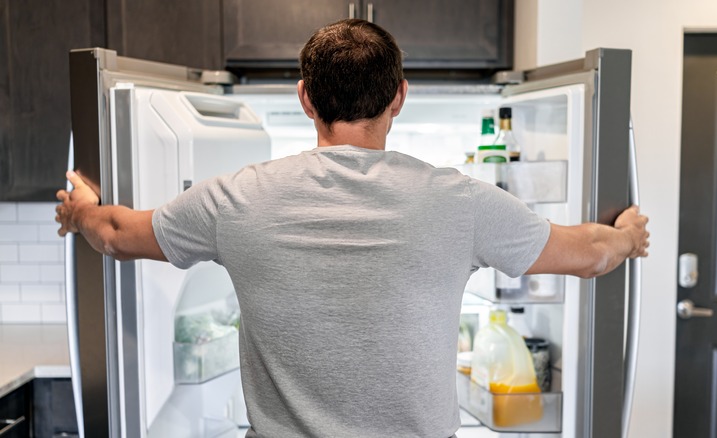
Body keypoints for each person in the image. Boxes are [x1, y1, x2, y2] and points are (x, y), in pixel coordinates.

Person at [56, 18, 649, 438]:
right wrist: (627, 234)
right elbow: (589, 253)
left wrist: (79, 208)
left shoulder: (237, 198)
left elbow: (114, 233)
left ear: (306, 98)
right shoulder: (462, 202)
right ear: (399, 97)